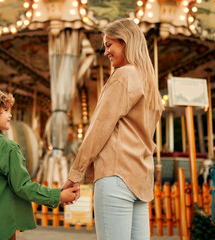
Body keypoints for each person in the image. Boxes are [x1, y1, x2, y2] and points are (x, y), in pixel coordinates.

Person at [62, 19, 164, 240]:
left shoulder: (123, 76)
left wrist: (76, 173)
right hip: (140, 177)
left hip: (116, 174)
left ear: (125, 42)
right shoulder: (148, 81)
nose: (106, 52)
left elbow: (100, 128)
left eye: (109, 45)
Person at [0, 87, 78, 240]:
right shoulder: (7, 148)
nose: (10, 114)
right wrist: (58, 196)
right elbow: (23, 187)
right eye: (5, 110)